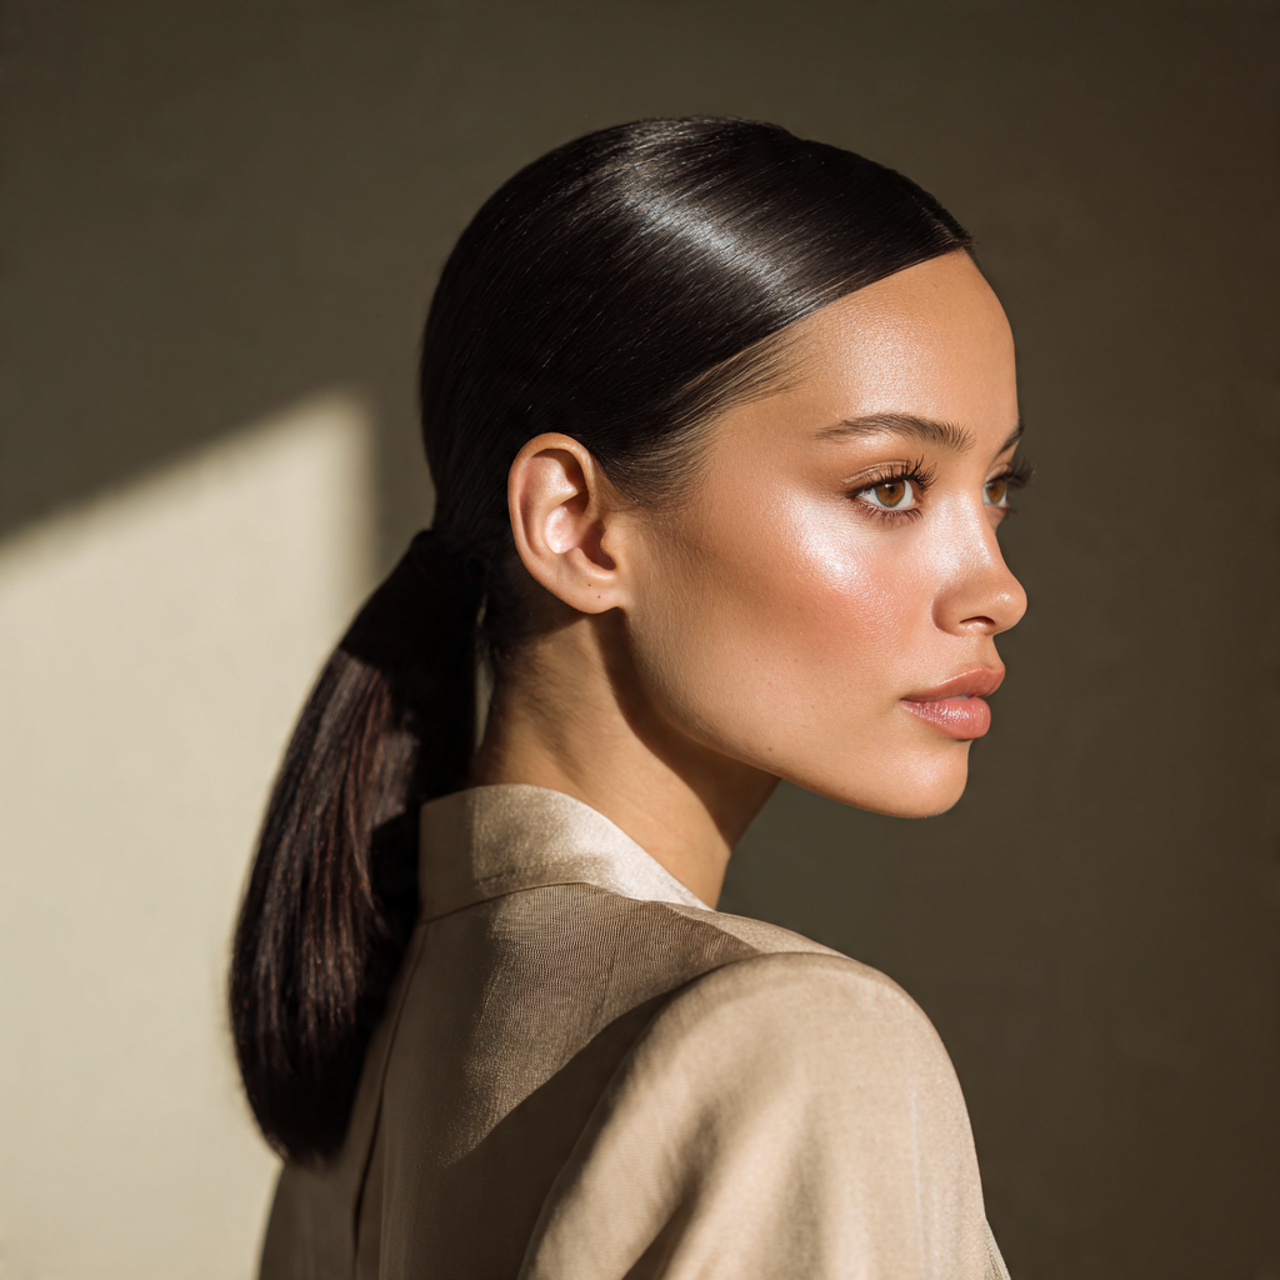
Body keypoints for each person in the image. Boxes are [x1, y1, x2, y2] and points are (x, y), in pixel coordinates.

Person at [230, 116, 1029, 1278]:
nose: (996, 586)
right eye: (890, 484)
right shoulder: (802, 1044)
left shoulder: (356, 1080)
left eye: (997, 486)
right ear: (577, 524)